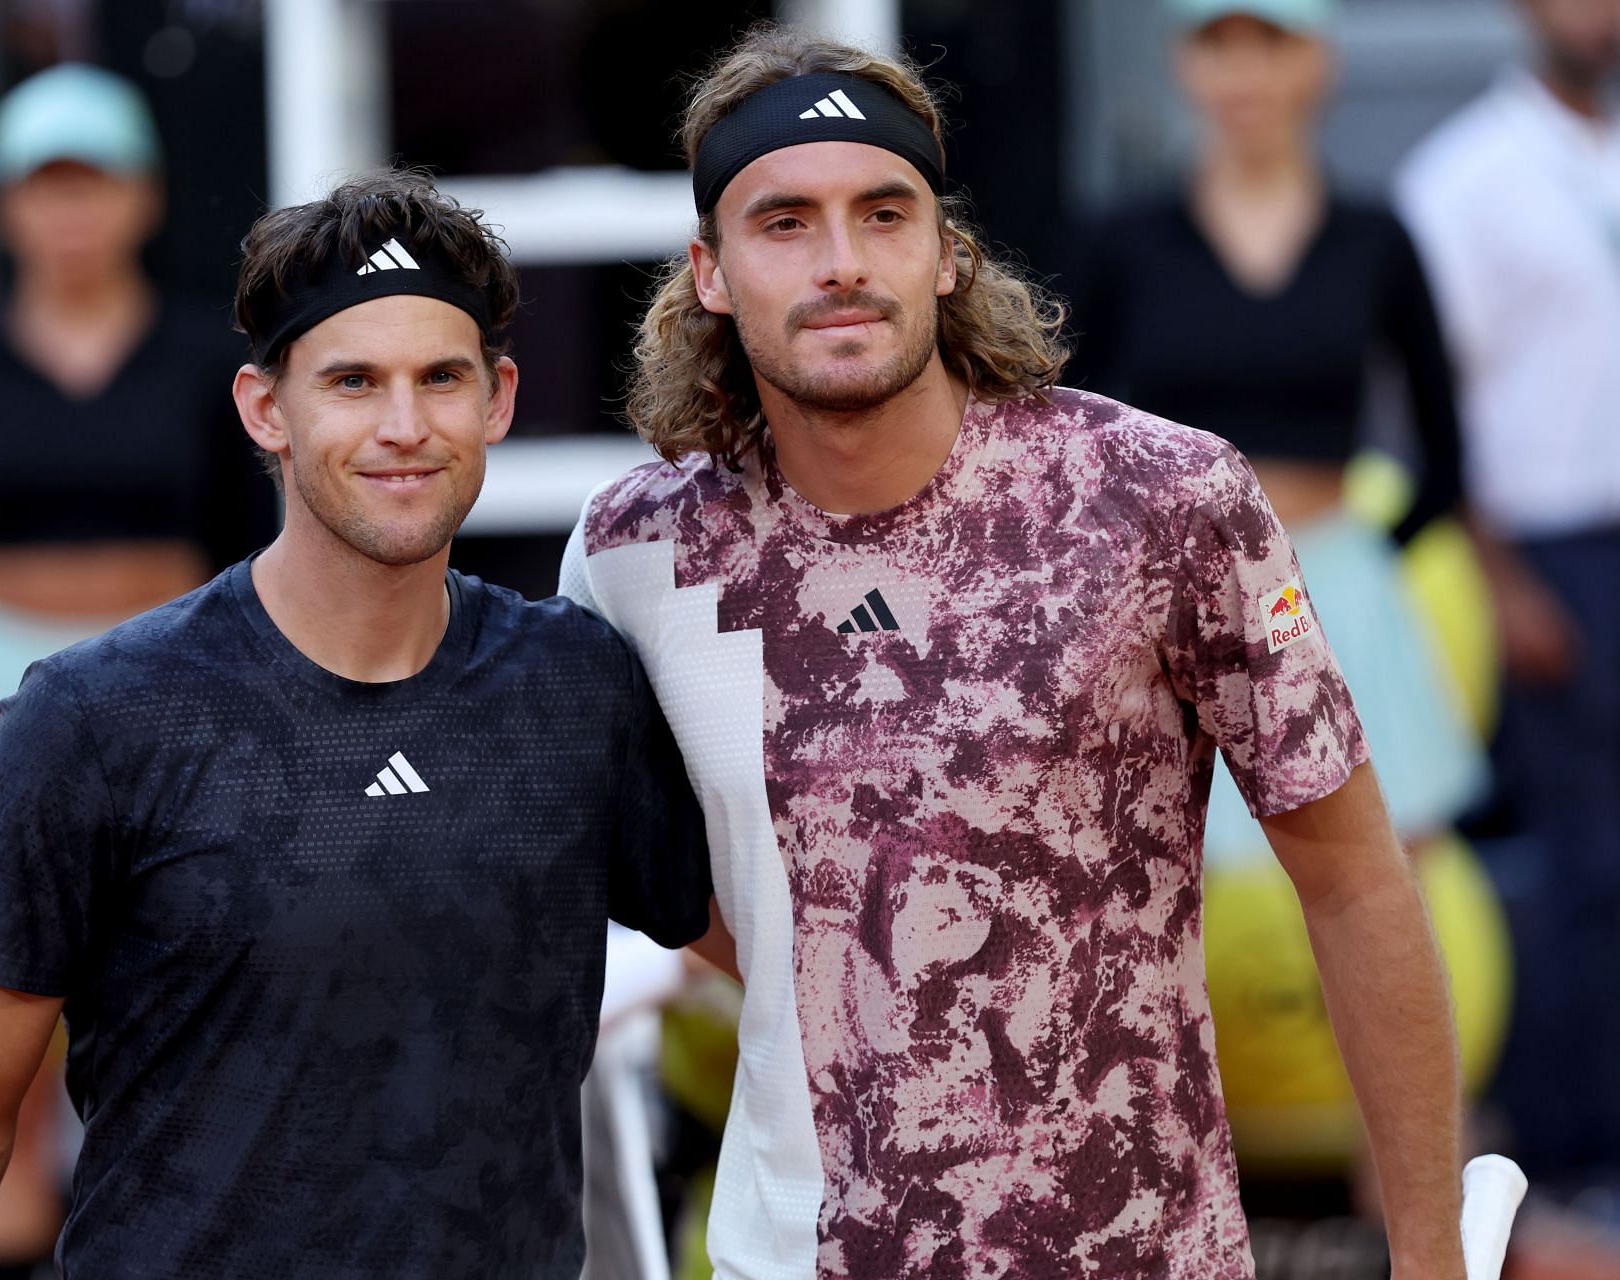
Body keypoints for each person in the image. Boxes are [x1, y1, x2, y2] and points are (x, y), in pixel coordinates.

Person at [562, 24, 1464, 1278]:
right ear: (710, 272)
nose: (842, 262)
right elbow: (689, 899)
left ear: (946, 252)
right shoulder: (631, 555)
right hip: (799, 1254)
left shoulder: (1163, 497)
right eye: (785, 224)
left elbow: (1359, 883)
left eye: (886, 214)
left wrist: (1430, 1253)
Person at [0, 168, 713, 1280]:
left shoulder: (579, 686)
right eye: (352, 381)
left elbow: (789, 957)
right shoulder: (94, 718)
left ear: (498, 398)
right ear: (268, 408)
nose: (404, 426)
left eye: (440, 378)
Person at [0, 62, 280, 1267]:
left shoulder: (206, 364)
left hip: (173, 694)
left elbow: (239, 548)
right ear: (3, 206)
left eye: (93, 183)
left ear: (144, 198)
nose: (70, 214)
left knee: (184, 993)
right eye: (43, 186)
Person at [1064, 0, 1485, 872]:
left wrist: (1359, 567)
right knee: (1173, 864)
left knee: (1383, 871)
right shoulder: (1123, 239)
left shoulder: (1377, 239)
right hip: (1174, 598)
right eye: (1220, 46)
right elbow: (1074, 441)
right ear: (1186, 64)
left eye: (1274, 44)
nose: (1247, 74)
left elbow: (1446, 451)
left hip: (1337, 597)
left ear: (1319, 61)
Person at [1397, 0, 1620, 1197]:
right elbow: (1437, 411)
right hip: (1548, 553)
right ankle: (1573, 1156)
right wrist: (1501, 580)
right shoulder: (1464, 181)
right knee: (1583, 867)